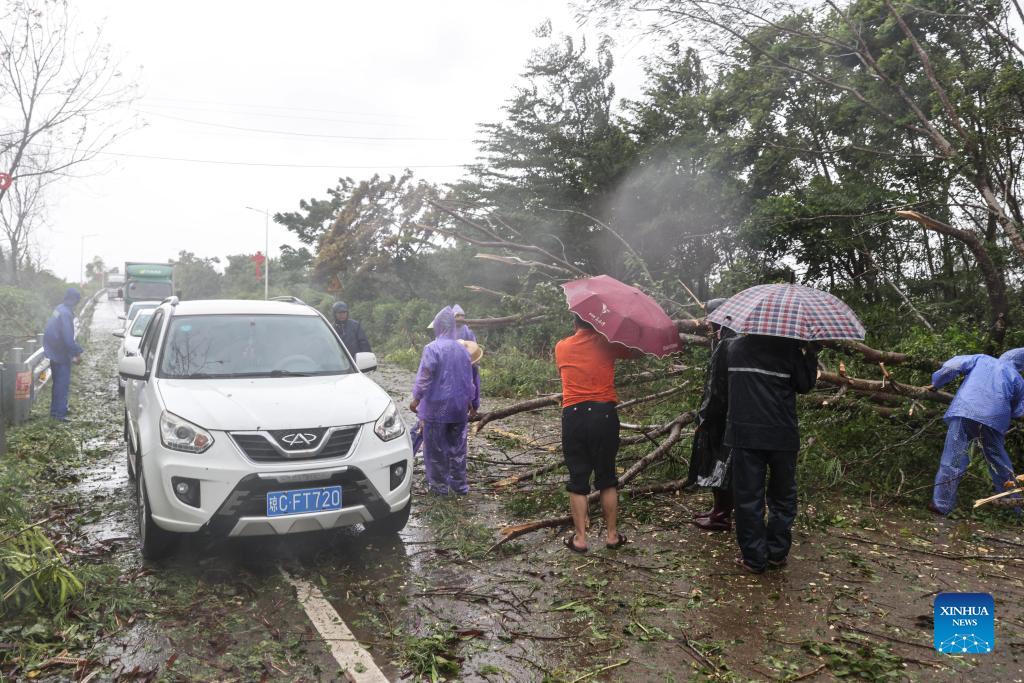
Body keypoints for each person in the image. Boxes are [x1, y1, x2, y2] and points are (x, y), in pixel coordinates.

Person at [725, 334, 818, 573]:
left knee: (748, 498)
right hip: (782, 435)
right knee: (782, 496)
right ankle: (776, 552)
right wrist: (811, 354)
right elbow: (805, 385)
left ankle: (754, 557)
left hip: (745, 434)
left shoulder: (735, 347)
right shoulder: (790, 351)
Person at [555, 314, 640, 553]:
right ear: (596, 324)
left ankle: (580, 539)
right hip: (604, 415)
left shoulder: (561, 347)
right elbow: (636, 353)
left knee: (578, 479)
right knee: (607, 477)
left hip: (574, 415)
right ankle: (612, 536)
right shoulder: (607, 343)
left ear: (575, 324)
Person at [927, 349, 1024, 516]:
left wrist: (936, 383)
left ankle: (941, 505)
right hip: (994, 420)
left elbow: (952, 366)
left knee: (953, 459)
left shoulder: (981, 358)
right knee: (1000, 463)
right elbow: (1018, 411)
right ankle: (1016, 509)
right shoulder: (1018, 378)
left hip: (966, 411)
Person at [409, 307, 477, 495]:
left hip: (436, 409)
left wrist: (416, 399)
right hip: (458, 409)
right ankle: (459, 487)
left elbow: (425, 376)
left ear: (438, 326)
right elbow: (469, 380)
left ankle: (439, 489)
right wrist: (471, 402)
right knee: (458, 450)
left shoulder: (432, 348)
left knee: (436, 451)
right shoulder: (463, 350)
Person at [687, 298, 737, 531]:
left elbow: (716, 389)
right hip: (726, 415)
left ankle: (721, 515)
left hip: (720, 417)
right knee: (721, 466)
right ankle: (719, 509)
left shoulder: (726, 344)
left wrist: (704, 419)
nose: (706, 322)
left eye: (710, 317)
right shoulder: (727, 340)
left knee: (721, 466)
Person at [43, 288, 85, 421]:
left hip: (52, 349)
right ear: (74, 300)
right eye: (77, 301)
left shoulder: (59, 308)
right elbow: (67, 338)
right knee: (62, 383)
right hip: (60, 353)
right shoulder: (66, 313)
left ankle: (57, 410)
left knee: (57, 383)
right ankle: (58, 414)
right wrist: (77, 352)